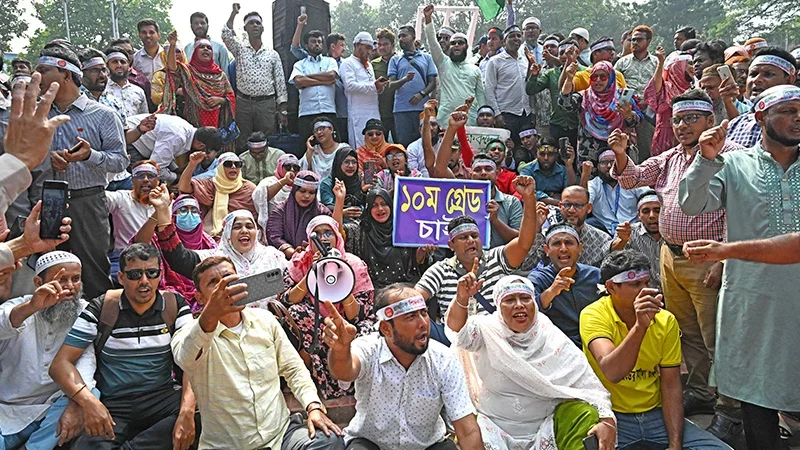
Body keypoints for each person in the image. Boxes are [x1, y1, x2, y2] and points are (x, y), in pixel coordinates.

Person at [610, 90, 743, 442]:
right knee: (689, 331)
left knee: (717, 334)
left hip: (708, 258)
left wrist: (723, 259)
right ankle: (700, 390)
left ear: (710, 120)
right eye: (678, 119)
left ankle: (730, 408)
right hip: (671, 256)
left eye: (691, 119)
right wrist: (621, 154)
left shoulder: (730, 156)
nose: (682, 126)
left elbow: (738, 210)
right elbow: (631, 178)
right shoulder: (670, 157)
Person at [679, 84, 800, 449]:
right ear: (760, 117)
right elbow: (692, 204)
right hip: (753, 297)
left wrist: (725, 250)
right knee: (754, 391)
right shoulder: (734, 164)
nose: (798, 118)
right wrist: (706, 158)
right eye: (789, 111)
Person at [171, 255, 345, 449]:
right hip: (227, 446)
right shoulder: (190, 332)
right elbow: (185, 358)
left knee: (329, 441)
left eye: (229, 278)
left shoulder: (265, 320)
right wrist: (210, 314)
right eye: (214, 283)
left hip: (280, 436)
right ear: (200, 298)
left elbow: (293, 369)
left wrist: (313, 407)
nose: (224, 288)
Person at [49, 243, 198, 450]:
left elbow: (192, 358)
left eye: (152, 273)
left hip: (161, 397)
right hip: (114, 403)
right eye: (135, 274)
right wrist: (88, 402)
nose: (144, 281)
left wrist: (186, 412)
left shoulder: (175, 305)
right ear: (121, 277)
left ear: (160, 275)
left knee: (201, 414)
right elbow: (60, 364)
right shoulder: (102, 307)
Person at [580, 250, 729, 449]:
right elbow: (613, 372)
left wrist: (675, 444)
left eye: (646, 283)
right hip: (612, 416)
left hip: (655, 414)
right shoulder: (593, 315)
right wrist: (640, 326)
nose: (645, 290)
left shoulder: (665, 320)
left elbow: (671, 385)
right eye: (635, 284)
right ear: (611, 287)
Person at [447, 274, 615, 450]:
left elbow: (587, 384)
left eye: (525, 298)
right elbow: (457, 330)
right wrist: (461, 299)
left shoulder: (549, 334)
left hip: (546, 427)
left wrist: (607, 421)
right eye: (509, 300)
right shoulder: (486, 329)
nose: (519, 305)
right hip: (493, 428)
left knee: (584, 414)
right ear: (498, 305)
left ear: (534, 303)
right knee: (468, 428)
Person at [323, 284, 484, 450]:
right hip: (372, 444)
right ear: (386, 329)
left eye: (424, 313)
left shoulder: (444, 359)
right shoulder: (368, 349)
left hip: (427, 446)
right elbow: (344, 372)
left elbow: (467, 431)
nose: (423, 323)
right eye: (411, 316)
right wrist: (341, 350)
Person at [36, 45, 128, 300]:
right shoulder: (36, 114)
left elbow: (120, 161)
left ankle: (98, 323)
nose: (37, 76)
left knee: (93, 272)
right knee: (51, 272)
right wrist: (46, 159)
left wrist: (90, 155)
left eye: (44, 70)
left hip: (88, 200)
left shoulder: (103, 115)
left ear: (66, 75)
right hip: (47, 201)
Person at [0, 252, 98, 450]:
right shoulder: (18, 307)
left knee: (91, 393)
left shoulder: (84, 312)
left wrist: (76, 403)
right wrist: (32, 307)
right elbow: (4, 324)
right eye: (62, 279)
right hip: (8, 412)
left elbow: (87, 362)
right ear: (39, 282)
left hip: (52, 407)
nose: (70, 286)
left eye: (76, 279)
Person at [415, 176, 540, 328]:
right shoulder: (440, 270)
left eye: (474, 236)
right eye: (463, 238)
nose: (470, 240)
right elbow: (415, 298)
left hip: (495, 335)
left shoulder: (497, 257)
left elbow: (524, 243)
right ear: (451, 245)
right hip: (455, 336)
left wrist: (528, 198)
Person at [281, 215, 375, 399]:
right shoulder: (299, 262)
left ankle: (349, 376)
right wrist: (312, 272)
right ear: (310, 239)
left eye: (328, 233)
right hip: (316, 322)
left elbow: (358, 315)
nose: (323, 238)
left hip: (346, 322)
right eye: (317, 234)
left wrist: (341, 280)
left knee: (366, 329)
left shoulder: (354, 264)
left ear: (337, 237)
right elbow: (287, 300)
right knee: (296, 313)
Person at [134, 193, 217, 311]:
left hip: (204, 293)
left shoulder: (209, 243)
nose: (189, 214)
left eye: (194, 211)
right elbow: (139, 245)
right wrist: (160, 211)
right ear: (173, 215)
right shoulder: (161, 238)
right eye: (183, 210)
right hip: (171, 295)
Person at [223, 4, 289, 152]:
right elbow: (226, 35)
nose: (255, 25)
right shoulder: (240, 50)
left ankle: (267, 167)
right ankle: (243, 166)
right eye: (251, 23)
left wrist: (283, 111)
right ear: (245, 28)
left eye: (257, 23)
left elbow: (280, 82)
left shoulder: (272, 54)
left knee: (267, 141)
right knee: (242, 141)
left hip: (266, 104)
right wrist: (234, 13)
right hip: (244, 103)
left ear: (262, 28)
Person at [337, 187, 431, 289]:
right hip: (373, 290)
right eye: (374, 205)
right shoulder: (360, 230)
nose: (380, 209)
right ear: (368, 209)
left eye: (384, 204)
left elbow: (414, 262)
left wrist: (422, 250)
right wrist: (339, 200)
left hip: (405, 288)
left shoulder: (404, 228)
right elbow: (336, 230)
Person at [528, 223, 602, 346]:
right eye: (556, 244)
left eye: (569, 243)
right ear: (547, 250)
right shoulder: (538, 278)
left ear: (580, 248)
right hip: (556, 345)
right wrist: (551, 291)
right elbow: (529, 312)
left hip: (597, 338)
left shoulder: (596, 275)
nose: (563, 249)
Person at [163, 30, 237, 152]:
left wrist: (220, 100)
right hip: (194, 120)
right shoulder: (188, 71)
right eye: (202, 47)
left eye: (209, 48)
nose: (206, 49)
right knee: (196, 152)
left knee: (214, 151)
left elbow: (231, 96)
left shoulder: (220, 75)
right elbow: (172, 69)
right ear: (195, 52)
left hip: (217, 121)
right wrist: (172, 45)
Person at [560, 60, 642, 164]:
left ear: (611, 78)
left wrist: (628, 115)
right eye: (594, 77)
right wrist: (569, 79)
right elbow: (565, 104)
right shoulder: (584, 97)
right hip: (589, 152)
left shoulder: (623, 97)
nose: (598, 80)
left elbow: (637, 122)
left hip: (619, 147)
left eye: (603, 77)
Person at [520, 186, 612, 271]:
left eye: (578, 205)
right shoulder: (548, 235)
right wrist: (536, 229)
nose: (571, 210)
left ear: (588, 208)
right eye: (567, 205)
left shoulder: (602, 239)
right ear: (560, 206)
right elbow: (526, 265)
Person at [422, 5, 484, 126]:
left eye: (460, 43)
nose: (456, 45)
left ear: (466, 46)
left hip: (470, 120)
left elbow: (481, 96)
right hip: (446, 120)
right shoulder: (443, 63)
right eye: (453, 43)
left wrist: (483, 115)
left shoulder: (475, 70)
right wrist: (428, 19)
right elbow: (433, 44)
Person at [726, 48, 798, 148]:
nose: (757, 80)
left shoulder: (795, 125)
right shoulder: (734, 125)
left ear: (789, 80)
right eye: (753, 74)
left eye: (768, 74)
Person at [126, 113, 222, 183]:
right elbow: (155, 167)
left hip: (141, 143)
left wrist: (176, 169)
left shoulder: (187, 133)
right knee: (143, 180)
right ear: (201, 146)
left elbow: (166, 154)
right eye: (206, 152)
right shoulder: (178, 137)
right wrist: (178, 178)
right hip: (131, 141)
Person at [180, 152, 258, 236]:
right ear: (220, 167)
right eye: (228, 164)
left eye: (237, 164)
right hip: (211, 234)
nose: (233, 167)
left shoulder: (249, 188)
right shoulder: (210, 184)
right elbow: (184, 187)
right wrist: (192, 165)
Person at [387, 25, 438, 147]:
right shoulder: (395, 60)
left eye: (404, 36)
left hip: (423, 109)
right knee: (404, 145)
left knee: (426, 143)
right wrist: (404, 80)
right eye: (399, 36)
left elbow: (432, 82)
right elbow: (391, 85)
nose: (401, 39)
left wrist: (421, 94)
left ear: (413, 37)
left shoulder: (426, 58)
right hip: (401, 110)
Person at [615, 25, 658, 160]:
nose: (634, 43)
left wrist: (648, 101)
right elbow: (613, 84)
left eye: (639, 40)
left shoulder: (656, 63)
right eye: (633, 40)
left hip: (648, 111)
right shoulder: (622, 62)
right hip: (625, 109)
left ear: (648, 41)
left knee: (646, 149)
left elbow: (661, 86)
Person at [527, 39, 580, 147]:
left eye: (569, 52)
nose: (565, 56)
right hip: (557, 124)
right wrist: (534, 75)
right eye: (562, 53)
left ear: (577, 53)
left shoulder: (584, 72)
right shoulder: (551, 73)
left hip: (578, 124)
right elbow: (531, 90)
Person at [106, 161, 157, 272]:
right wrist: (107, 177)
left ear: (158, 180)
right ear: (132, 180)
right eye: (140, 176)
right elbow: (98, 198)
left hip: (157, 258)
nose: (146, 179)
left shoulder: (167, 203)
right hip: (125, 257)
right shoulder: (122, 198)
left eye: (151, 175)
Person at [267, 171, 331, 258]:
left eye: (311, 192)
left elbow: (333, 234)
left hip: (318, 258)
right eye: (302, 191)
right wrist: (295, 255)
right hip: (286, 260)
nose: (307, 196)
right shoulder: (280, 211)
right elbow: (275, 237)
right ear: (294, 190)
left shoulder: (323, 212)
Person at [290, 28, 339, 143]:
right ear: (306, 46)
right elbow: (299, 81)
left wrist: (307, 77)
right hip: (307, 112)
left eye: (319, 42)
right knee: (308, 146)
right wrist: (324, 82)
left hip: (328, 110)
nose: (317, 44)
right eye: (313, 41)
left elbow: (331, 76)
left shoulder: (330, 61)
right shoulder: (299, 64)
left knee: (331, 146)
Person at [485, 26, 532, 144]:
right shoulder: (495, 61)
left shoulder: (525, 60)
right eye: (512, 36)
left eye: (518, 36)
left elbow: (530, 85)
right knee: (508, 148)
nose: (516, 38)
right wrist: (497, 114)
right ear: (504, 42)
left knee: (525, 149)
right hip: (506, 115)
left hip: (525, 113)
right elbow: (489, 89)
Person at [644, 47, 694, 157]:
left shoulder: (694, 89)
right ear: (678, 67)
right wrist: (660, 63)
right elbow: (654, 90)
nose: (693, 68)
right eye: (689, 64)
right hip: (666, 139)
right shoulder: (666, 88)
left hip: (689, 137)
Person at [341, 32, 387, 149]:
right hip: (358, 113)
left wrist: (379, 88)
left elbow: (372, 86)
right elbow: (349, 85)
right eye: (367, 48)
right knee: (361, 144)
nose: (369, 52)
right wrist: (373, 86)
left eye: (371, 49)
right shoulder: (347, 63)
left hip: (374, 111)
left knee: (377, 144)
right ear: (357, 45)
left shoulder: (369, 65)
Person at [586, 150, 649, 235]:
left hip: (632, 229)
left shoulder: (631, 180)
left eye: (613, 162)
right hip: (603, 232)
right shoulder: (594, 184)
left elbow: (649, 196)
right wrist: (584, 176)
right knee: (589, 222)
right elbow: (584, 202)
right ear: (598, 167)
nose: (609, 166)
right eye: (604, 163)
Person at [611, 191, 664, 289]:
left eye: (657, 210)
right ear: (639, 215)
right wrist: (622, 240)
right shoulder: (628, 231)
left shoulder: (674, 233)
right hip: (640, 292)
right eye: (646, 211)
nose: (652, 215)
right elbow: (612, 258)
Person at [520, 136, 576, 206]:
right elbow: (527, 192)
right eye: (542, 154)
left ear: (556, 155)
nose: (546, 158)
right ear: (536, 154)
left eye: (550, 154)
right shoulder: (527, 170)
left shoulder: (563, 170)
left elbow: (571, 191)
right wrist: (557, 201)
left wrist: (569, 165)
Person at [252, 154, 302, 231]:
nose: (292, 170)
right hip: (273, 226)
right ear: (280, 167)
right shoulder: (268, 181)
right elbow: (261, 197)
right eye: (287, 166)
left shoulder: (301, 185)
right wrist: (284, 181)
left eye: (296, 168)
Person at [184, 12, 231, 80]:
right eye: (196, 23)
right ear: (191, 27)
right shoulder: (187, 49)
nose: (199, 26)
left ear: (207, 26)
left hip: (216, 86)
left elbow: (226, 75)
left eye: (202, 23)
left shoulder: (220, 48)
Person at [104, 47, 149, 117]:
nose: (119, 65)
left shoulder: (138, 91)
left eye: (123, 62)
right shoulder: (102, 91)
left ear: (128, 66)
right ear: (107, 66)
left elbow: (144, 117)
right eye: (114, 62)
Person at [320, 146, 366, 213]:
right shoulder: (327, 183)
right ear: (338, 163)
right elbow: (327, 206)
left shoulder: (361, 180)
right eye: (346, 162)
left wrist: (364, 191)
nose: (351, 166)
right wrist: (342, 212)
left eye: (354, 162)